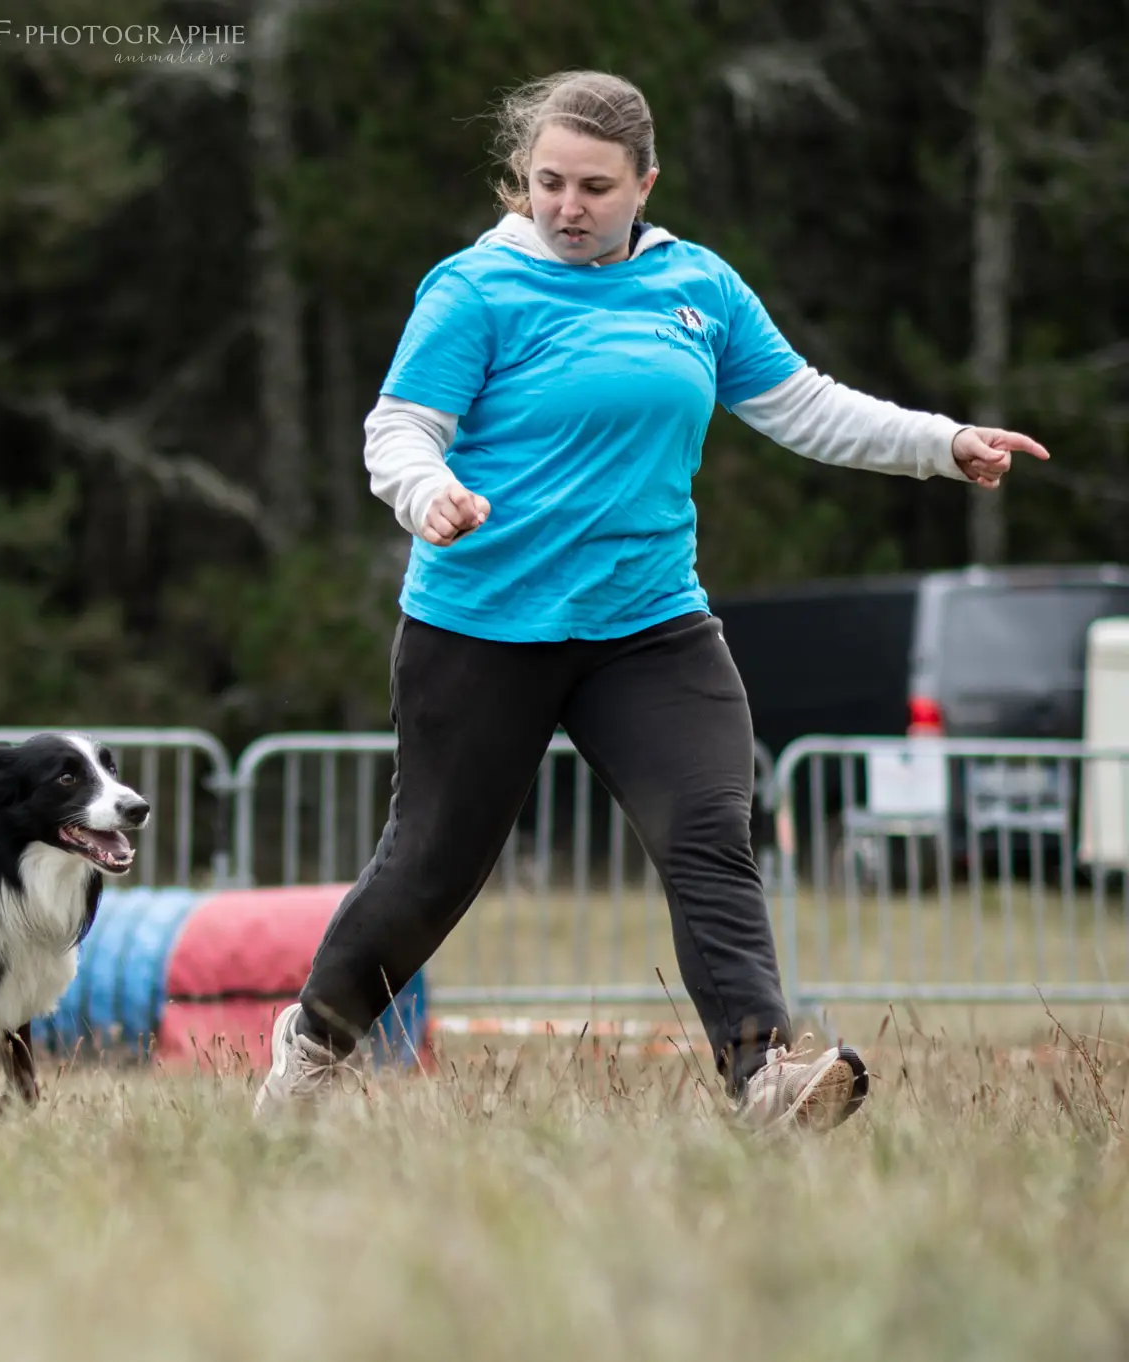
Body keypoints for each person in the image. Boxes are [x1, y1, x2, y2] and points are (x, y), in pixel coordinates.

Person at [252, 70, 1050, 1131]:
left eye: (592, 187)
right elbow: (395, 429)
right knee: (433, 867)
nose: (566, 208)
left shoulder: (697, 288)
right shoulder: (473, 290)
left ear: (644, 184)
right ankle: (312, 1044)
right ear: (520, 181)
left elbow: (803, 405)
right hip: (483, 624)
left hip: (648, 624)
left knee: (708, 829)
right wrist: (426, 490)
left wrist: (940, 444)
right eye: (546, 183)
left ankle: (762, 1078)